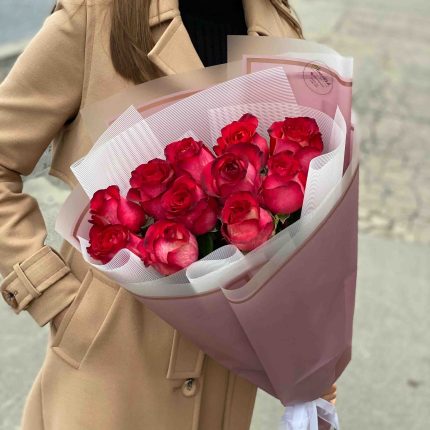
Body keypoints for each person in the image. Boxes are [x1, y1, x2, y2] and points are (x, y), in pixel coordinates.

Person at [0, 0, 336, 428]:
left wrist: (312, 365)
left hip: (226, 370)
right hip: (113, 356)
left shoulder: (276, 23)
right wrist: (53, 295)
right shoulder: (96, 17)